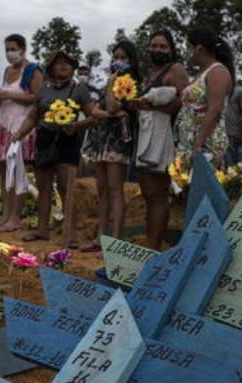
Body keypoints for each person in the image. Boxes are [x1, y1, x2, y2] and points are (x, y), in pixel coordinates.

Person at [12, 50, 102, 245]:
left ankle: (70, 234)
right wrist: (19, 134)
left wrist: (76, 126)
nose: (64, 66)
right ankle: (42, 230)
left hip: (67, 141)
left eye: (68, 63)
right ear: (51, 67)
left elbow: (93, 116)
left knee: (66, 187)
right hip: (44, 139)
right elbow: (33, 117)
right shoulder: (43, 89)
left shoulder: (79, 90)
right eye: (59, 63)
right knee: (43, 187)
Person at [131, 29, 189, 251]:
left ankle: (153, 247)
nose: (157, 50)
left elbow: (186, 102)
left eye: (163, 46)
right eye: (154, 45)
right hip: (145, 134)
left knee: (157, 194)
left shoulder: (175, 70)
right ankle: (150, 243)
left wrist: (154, 105)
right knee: (148, 193)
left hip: (163, 139)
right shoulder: (148, 73)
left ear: (172, 50)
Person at [81, 40, 142, 251]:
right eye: (116, 57)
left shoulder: (131, 85)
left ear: (132, 60)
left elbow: (116, 104)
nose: (119, 61)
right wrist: (109, 112)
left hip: (119, 142)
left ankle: (115, 240)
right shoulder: (110, 82)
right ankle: (100, 237)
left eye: (124, 57)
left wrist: (111, 87)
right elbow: (96, 112)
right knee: (102, 189)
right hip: (101, 140)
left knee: (116, 189)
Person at [0, 34, 43, 231]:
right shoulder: (7, 71)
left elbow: (37, 97)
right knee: (4, 172)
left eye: (13, 49)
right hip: (3, 123)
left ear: (23, 49)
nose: (10, 53)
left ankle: (15, 217)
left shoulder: (32, 70)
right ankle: (6, 215)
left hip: (21, 126)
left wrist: (9, 94)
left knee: (17, 171)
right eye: (7, 49)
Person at [175, 27, 233, 168]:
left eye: (188, 47)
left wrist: (198, 145)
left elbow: (215, 109)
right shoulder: (200, 74)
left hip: (205, 145)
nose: (186, 52)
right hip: (188, 145)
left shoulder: (217, 71)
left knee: (202, 188)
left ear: (199, 49)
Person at [225, 82, 242, 166]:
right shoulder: (223, 92)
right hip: (225, 134)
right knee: (228, 165)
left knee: (241, 165)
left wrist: (240, 133)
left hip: (237, 133)